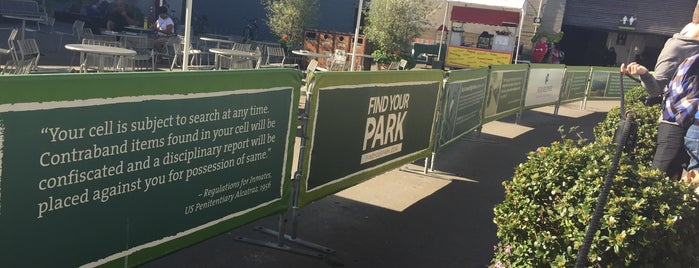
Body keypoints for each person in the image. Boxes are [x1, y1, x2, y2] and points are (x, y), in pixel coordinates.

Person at [621, 20, 699, 180]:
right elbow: (656, 88)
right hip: (674, 123)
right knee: (659, 178)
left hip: (695, 126)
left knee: (685, 181)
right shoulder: (678, 46)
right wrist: (644, 74)